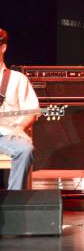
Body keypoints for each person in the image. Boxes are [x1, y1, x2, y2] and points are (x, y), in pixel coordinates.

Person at [0, 28, 39, 189]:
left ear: (3, 48)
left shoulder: (17, 79)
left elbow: (32, 110)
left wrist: (20, 126)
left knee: (25, 150)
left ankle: (13, 203)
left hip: (6, 134)